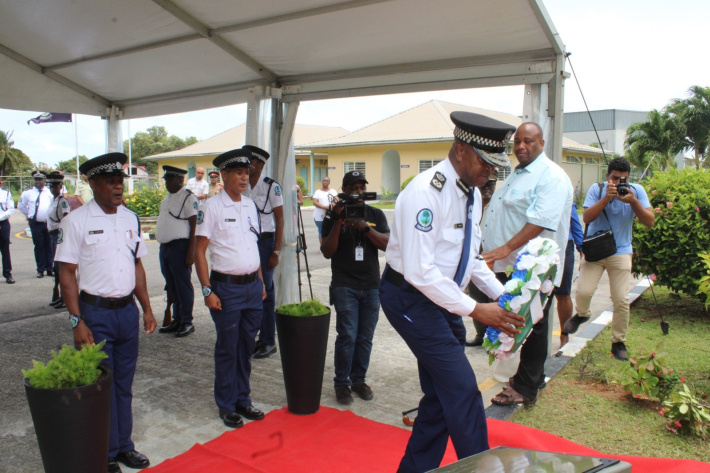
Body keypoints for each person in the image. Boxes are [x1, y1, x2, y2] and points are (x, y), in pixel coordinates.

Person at [380, 111, 525, 472]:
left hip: (445, 300)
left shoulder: (472, 194)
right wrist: (476, 310)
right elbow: (419, 271)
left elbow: (471, 259)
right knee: (461, 390)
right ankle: (481, 468)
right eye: (485, 162)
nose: (489, 171)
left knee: (440, 396)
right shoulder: (426, 192)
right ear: (461, 149)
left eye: (494, 165)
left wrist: (503, 297)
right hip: (410, 299)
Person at [55, 152, 156, 473]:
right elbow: (67, 273)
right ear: (93, 183)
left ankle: (124, 446)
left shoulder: (130, 217)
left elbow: (136, 264)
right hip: (95, 315)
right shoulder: (76, 222)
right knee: (101, 386)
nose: (117, 187)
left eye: (120, 181)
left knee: (124, 384)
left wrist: (147, 308)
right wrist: (76, 320)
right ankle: (105, 451)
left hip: (126, 312)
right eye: (110, 181)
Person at [483, 122, 573, 407]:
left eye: (529, 141)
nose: (521, 146)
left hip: (534, 266)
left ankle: (526, 387)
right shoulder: (518, 173)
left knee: (533, 323)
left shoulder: (551, 177)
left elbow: (540, 221)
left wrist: (504, 249)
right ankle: (527, 378)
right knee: (524, 321)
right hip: (511, 265)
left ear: (542, 143)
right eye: (517, 142)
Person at [195, 148, 267, 429]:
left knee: (247, 345)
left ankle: (243, 400)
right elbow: (199, 252)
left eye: (247, 173)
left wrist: (260, 280)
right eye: (238, 172)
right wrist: (206, 291)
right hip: (226, 289)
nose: (244, 177)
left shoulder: (249, 205)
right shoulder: (211, 208)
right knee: (228, 347)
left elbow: (253, 246)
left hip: (252, 288)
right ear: (223, 175)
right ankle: (226, 405)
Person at [565, 157, 654, 361]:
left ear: (628, 178)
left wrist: (633, 201)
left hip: (621, 250)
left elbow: (650, 221)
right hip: (596, 250)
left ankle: (618, 342)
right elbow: (586, 218)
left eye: (623, 179)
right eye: (614, 178)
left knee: (621, 299)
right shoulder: (597, 189)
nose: (618, 183)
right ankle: (582, 314)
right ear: (607, 176)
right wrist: (606, 198)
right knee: (584, 291)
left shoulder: (636, 191)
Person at [321, 171, 389, 404]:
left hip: (371, 285)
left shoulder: (375, 214)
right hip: (344, 284)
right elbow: (327, 251)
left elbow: (387, 244)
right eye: (354, 188)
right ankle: (342, 383)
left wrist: (364, 228)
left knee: (365, 336)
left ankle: (358, 380)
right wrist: (339, 221)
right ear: (344, 190)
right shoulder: (333, 215)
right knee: (347, 335)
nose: (359, 192)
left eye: (362, 188)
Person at [243, 145, 284, 360]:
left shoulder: (271, 187)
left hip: (265, 243)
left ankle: (269, 341)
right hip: (246, 241)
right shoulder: (241, 186)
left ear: (260, 164)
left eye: (251, 162)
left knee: (266, 291)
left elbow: (280, 219)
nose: (247, 166)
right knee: (251, 290)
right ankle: (256, 337)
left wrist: (276, 250)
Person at [156, 165, 198, 338]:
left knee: (182, 285)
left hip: (180, 247)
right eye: (166, 180)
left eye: (170, 180)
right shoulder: (167, 198)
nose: (167, 183)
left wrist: (191, 252)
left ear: (180, 180)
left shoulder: (188, 197)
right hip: (165, 248)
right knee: (172, 285)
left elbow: (195, 226)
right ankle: (177, 319)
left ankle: (187, 321)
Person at [465, 173, 498, 347]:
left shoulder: (498, 206)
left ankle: (493, 339)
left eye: (490, 184)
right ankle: (480, 335)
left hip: (494, 259)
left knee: (493, 300)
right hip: (474, 259)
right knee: (476, 298)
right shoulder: (471, 203)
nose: (486, 188)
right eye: (483, 184)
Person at [556, 202, 584, 347]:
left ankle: (564, 335)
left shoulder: (567, 199)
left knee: (563, 294)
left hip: (564, 246)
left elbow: (576, 225)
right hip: (541, 245)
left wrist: (582, 249)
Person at [18, 171, 54, 278]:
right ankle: (40, 269)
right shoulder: (28, 193)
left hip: (48, 223)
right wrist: (30, 215)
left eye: (40, 179)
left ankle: (49, 268)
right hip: (36, 223)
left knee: (49, 246)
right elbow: (21, 206)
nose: (38, 181)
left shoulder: (49, 192)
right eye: (36, 179)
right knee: (39, 246)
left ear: (44, 181)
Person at [46, 171, 71, 309]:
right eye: (51, 186)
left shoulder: (62, 201)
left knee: (60, 267)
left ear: (60, 187)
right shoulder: (53, 200)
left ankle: (65, 297)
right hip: (52, 235)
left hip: (58, 235)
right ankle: (60, 295)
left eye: (55, 186)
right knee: (56, 268)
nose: (53, 188)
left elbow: (66, 217)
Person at [312, 177, 338, 249]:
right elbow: (315, 202)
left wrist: (331, 206)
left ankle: (330, 247)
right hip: (319, 216)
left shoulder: (333, 191)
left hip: (330, 215)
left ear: (329, 182)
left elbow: (336, 200)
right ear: (322, 182)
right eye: (324, 181)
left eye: (327, 181)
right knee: (321, 230)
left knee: (330, 230)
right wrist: (324, 207)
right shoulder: (317, 192)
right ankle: (322, 247)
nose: (325, 182)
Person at [0, 179, 15, 284]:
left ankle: (7, 274)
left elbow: (11, 209)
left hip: (2, 222)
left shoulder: (6, 193)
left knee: (5, 250)